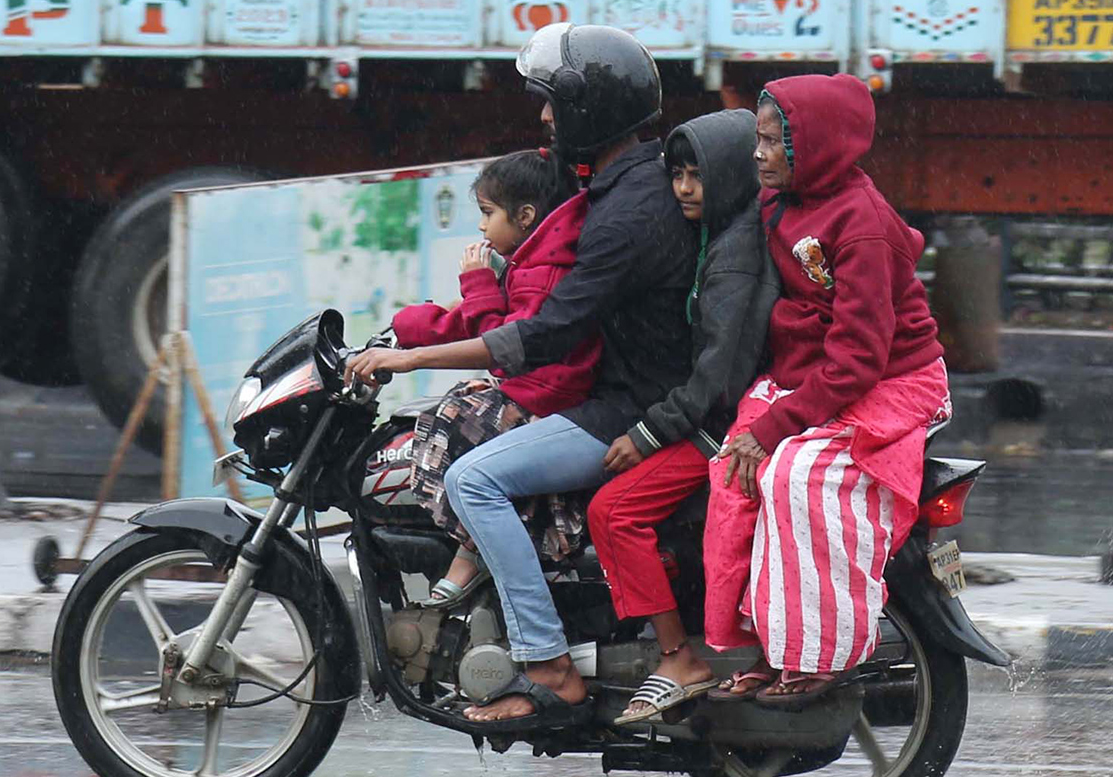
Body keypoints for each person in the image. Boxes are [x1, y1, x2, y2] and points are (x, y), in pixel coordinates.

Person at [346, 23, 698, 725]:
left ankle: (547, 664)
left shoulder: (621, 215)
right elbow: (531, 294)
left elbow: (541, 334)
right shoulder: (617, 184)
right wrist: (433, 320)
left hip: (627, 407)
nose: (544, 117)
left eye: (553, 103)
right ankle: (481, 588)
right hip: (620, 392)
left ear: (588, 109)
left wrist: (407, 359)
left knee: (473, 477)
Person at [702, 74, 952, 706]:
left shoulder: (861, 225)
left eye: (769, 142)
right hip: (810, 377)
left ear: (811, 146)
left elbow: (860, 359)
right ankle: (768, 642)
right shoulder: (781, 200)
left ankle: (823, 653)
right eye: (756, 140)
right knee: (732, 475)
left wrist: (774, 427)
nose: (756, 154)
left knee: (799, 475)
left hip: (891, 381)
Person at [584, 110, 780, 724]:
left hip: (719, 428)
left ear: (728, 175)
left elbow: (717, 375)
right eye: (677, 175)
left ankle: (677, 656)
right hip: (715, 415)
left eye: (699, 175)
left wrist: (649, 431)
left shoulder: (734, 254)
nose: (684, 189)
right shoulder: (721, 234)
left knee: (613, 512)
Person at [391, 148, 600, 606]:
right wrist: (407, 327)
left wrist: (477, 283)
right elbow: (478, 323)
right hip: (539, 391)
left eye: (488, 213)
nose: (482, 227)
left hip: (550, 401)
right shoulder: (534, 263)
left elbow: (505, 348)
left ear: (525, 216)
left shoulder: (546, 271)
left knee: (447, 418)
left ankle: (477, 548)